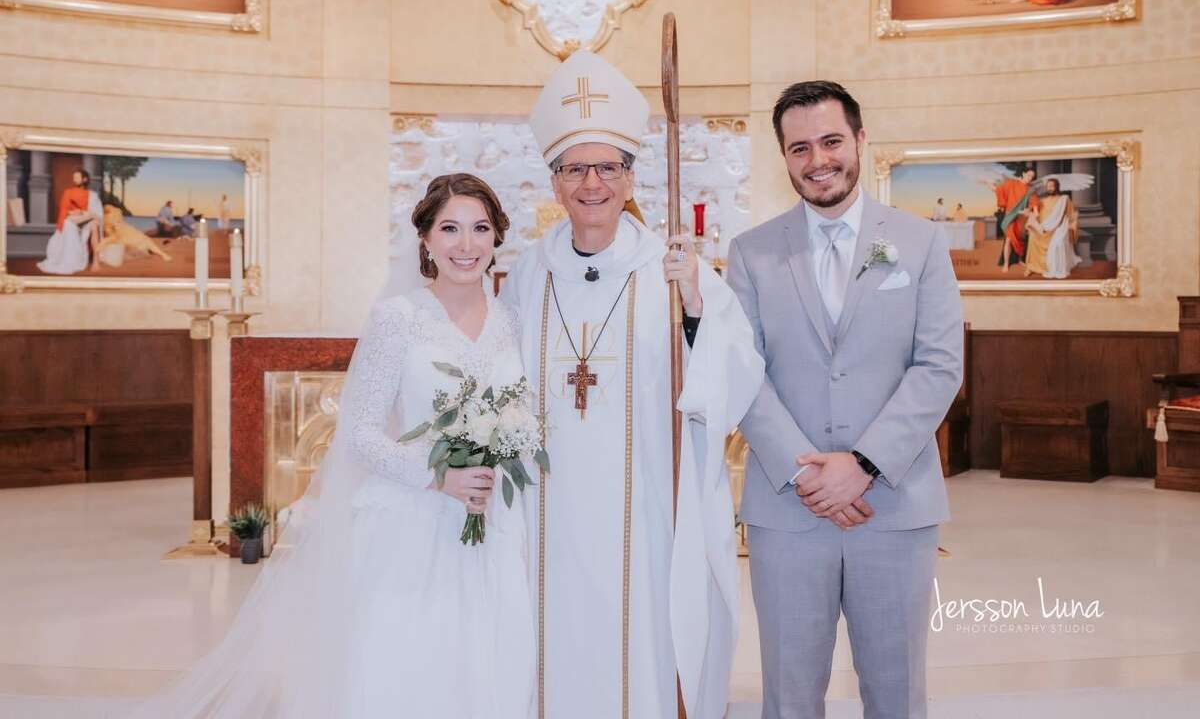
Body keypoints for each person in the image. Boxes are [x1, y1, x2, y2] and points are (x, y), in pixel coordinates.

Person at [129, 174, 535, 718]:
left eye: (480, 228)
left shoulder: (513, 320)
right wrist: (439, 475)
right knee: (412, 672)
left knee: (494, 664)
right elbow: (359, 431)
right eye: (451, 229)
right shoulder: (399, 319)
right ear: (426, 240)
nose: (467, 245)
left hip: (494, 525)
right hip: (415, 523)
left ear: (497, 237)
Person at [501, 51, 763, 719]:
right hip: (545, 511)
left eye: (608, 167)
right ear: (554, 182)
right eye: (574, 168)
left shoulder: (674, 268)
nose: (592, 183)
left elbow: (734, 377)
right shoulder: (529, 275)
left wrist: (696, 308)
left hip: (646, 507)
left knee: (642, 640)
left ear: (630, 176)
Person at [726, 81, 963, 719]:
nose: (817, 159)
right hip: (789, 507)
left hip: (892, 504)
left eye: (831, 141)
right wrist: (811, 473)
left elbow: (939, 367)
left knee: (895, 690)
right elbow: (741, 372)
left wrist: (861, 465)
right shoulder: (751, 254)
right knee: (791, 691)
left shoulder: (919, 243)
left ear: (860, 141)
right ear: (784, 157)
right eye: (799, 147)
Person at [37, 168, 102, 275]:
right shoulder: (68, 192)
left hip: (87, 220)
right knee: (71, 222)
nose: (74, 179)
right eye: (74, 178)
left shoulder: (92, 195)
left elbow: (96, 213)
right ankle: (72, 257)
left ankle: (96, 260)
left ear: (84, 179)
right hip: (74, 219)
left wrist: (81, 212)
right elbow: (64, 209)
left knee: (95, 224)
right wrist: (74, 212)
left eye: (77, 177)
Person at [1024, 177, 1081, 279]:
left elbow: (1072, 215)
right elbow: (1037, 214)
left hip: (1058, 229)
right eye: (1048, 187)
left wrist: (1072, 226)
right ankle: (1031, 267)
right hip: (1045, 228)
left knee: (1057, 242)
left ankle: (1046, 267)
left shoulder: (1064, 199)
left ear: (1056, 187)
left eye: (1051, 186)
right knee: (1032, 236)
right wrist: (1031, 214)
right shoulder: (1043, 201)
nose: (1049, 188)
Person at [993, 168, 1039, 272]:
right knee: (1009, 239)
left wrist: (1035, 211)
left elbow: (1034, 201)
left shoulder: (1030, 190)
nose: (1030, 178)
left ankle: (1018, 260)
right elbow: (1000, 190)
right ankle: (1006, 263)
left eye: (1032, 177)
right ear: (1023, 173)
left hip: (1021, 219)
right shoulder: (1012, 183)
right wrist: (991, 186)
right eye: (1028, 175)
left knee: (1019, 240)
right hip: (1010, 216)